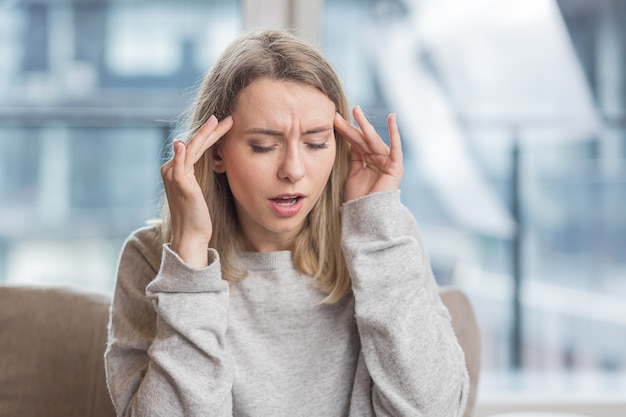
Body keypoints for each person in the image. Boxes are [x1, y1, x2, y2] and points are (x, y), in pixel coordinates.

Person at [104, 29, 469, 417]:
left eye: (315, 143)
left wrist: (374, 234)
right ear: (214, 154)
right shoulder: (151, 258)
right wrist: (191, 256)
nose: (294, 170)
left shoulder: (382, 236)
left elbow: (435, 409)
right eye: (264, 146)